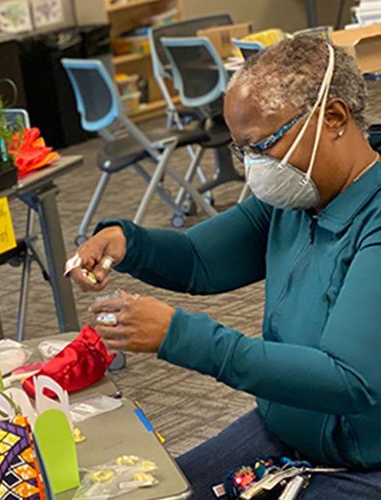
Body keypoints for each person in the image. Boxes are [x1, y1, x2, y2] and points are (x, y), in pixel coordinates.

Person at [68, 36, 381, 497]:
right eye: (241, 152)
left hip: (362, 459)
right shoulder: (296, 200)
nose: (253, 168)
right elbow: (200, 260)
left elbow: (348, 380)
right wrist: (126, 242)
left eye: (261, 145)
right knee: (163, 490)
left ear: (333, 118)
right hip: (287, 427)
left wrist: (180, 336)